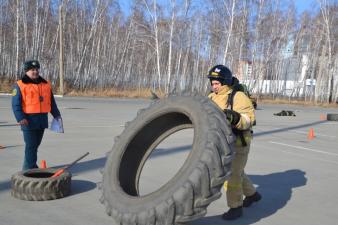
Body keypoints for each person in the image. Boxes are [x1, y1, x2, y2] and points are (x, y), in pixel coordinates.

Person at [207, 65, 261, 220]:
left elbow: (249, 119)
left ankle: (236, 207)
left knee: (232, 176)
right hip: (221, 142)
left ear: (225, 82)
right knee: (236, 172)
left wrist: (234, 118)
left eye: (217, 83)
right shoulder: (211, 97)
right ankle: (253, 194)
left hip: (238, 143)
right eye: (212, 83)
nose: (214, 86)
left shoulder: (238, 97)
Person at [12, 60, 62, 170]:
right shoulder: (20, 85)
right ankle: (29, 170)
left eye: (36, 69)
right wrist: (20, 118)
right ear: (26, 71)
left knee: (35, 145)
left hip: (42, 120)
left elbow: (51, 102)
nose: (35, 72)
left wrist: (57, 115)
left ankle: (29, 167)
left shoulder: (45, 84)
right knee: (31, 146)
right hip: (28, 120)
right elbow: (16, 104)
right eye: (32, 70)